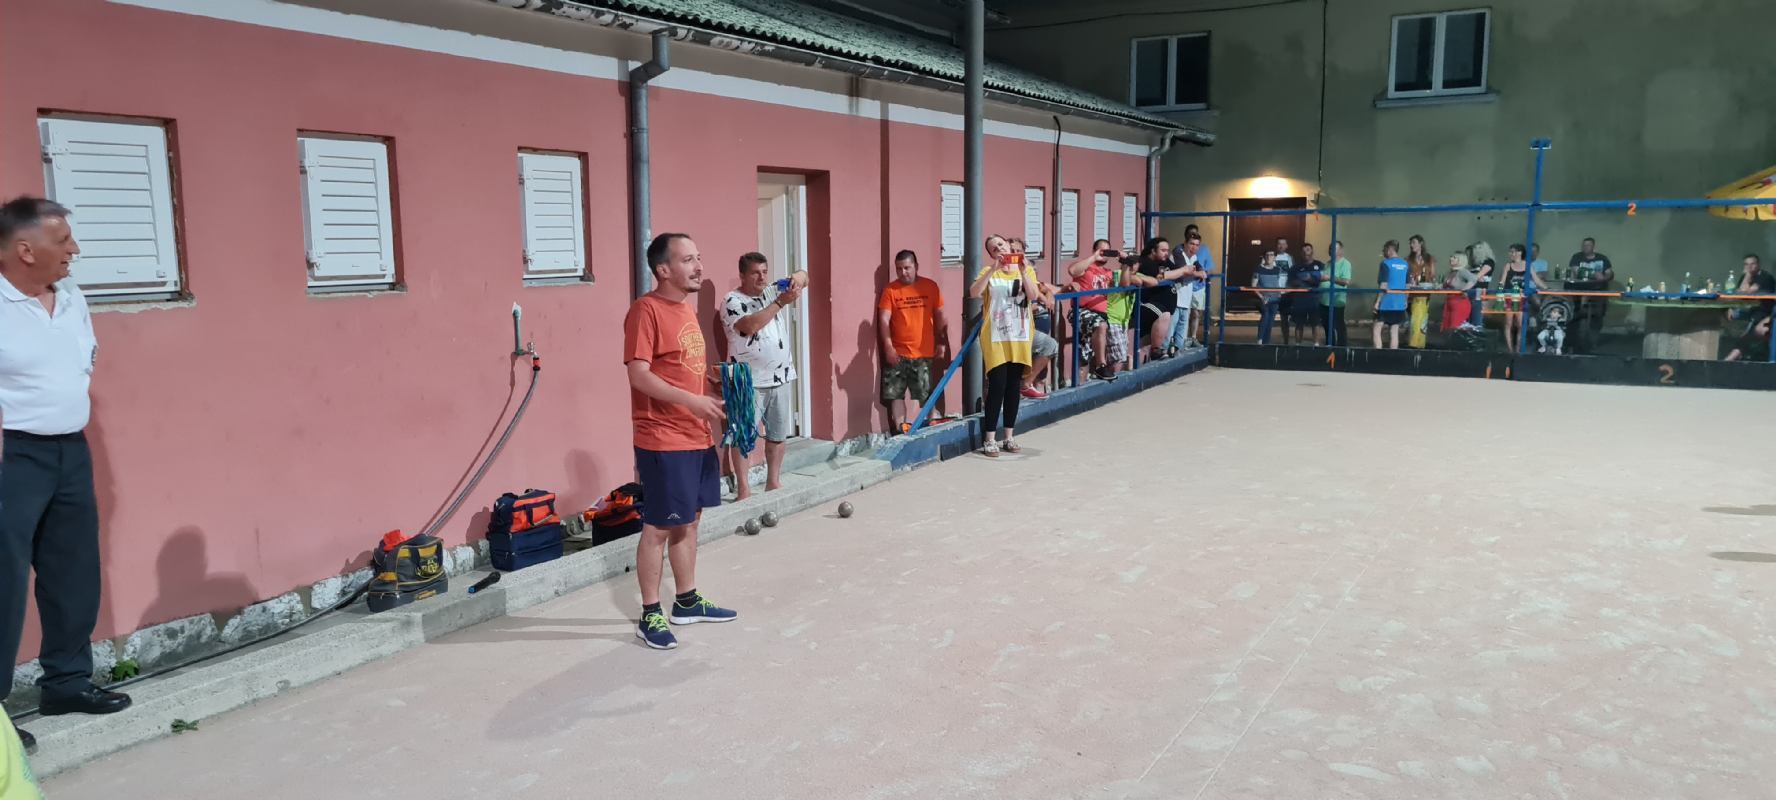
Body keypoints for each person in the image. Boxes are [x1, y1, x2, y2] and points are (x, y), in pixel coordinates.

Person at [1, 198, 133, 755]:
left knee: (73, 570)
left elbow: (82, 362)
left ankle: (66, 682)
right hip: (12, 457)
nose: (74, 250)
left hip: (69, 452)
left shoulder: (72, 296)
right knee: (4, 583)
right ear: (25, 250)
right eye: (63, 240)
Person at [623, 232, 738, 650]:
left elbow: (679, 370)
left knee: (689, 520)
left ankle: (686, 601)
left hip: (695, 433)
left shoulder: (686, 310)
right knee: (659, 526)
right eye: (688, 260)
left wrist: (713, 384)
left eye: (698, 257)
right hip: (662, 437)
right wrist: (693, 400)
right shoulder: (646, 311)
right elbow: (638, 374)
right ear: (663, 269)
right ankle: (649, 612)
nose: (698, 266)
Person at [719, 252, 806, 501]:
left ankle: (773, 482)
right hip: (747, 381)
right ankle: (744, 489)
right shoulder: (731, 300)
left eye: (765, 272)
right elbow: (750, 326)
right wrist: (780, 302)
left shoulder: (771, 291)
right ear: (742, 275)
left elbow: (805, 275)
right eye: (755, 273)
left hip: (781, 375)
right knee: (742, 436)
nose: (762, 277)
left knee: (778, 434)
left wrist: (796, 280)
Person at [971, 235, 1039, 456]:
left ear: (1009, 245)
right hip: (996, 335)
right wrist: (993, 268)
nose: (999, 249)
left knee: (1013, 386)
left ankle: (1009, 436)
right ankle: (990, 438)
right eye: (994, 248)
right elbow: (974, 292)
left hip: (1019, 334)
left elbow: (1033, 295)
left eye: (1001, 244)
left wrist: (1023, 270)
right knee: (997, 385)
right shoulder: (989, 271)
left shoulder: (1026, 270)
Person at [877, 250, 949, 432]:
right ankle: (900, 428)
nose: (903, 272)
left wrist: (941, 342)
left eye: (907, 268)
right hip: (898, 352)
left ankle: (933, 423)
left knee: (926, 393)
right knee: (895, 394)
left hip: (923, 351)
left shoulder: (930, 286)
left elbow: (940, 315)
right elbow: (884, 319)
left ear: (916, 266)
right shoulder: (890, 290)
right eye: (899, 269)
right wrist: (888, 347)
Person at [1066, 239, 1125, 382]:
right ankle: (1100, 366)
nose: (1104, 255)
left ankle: (1099, 372)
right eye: (1101, 251)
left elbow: (1124, 284)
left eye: (1107, 252)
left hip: (1102, 314)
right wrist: (1094, 257)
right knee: (1099, 326)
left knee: (1087, 352)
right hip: (1083, 311)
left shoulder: (1109, 272)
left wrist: (1125, 262)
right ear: (1094, 251)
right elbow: (1072, 271)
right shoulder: (1086, 267)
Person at [1006, 239, 1058, 398]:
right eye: (1012, 251)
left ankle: (1026, 384)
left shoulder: (1027, 270)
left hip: (1024, 325)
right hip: (1005, 325)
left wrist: (1048, 296)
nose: (1015, 254)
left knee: (1049, 345)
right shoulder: (997, 271)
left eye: (1018, 251)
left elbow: (1038, 290)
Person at [1166, 228, 1212, 352]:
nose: (1194, 247)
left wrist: (1201, 271)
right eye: (1191, 244)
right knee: (1169, 335)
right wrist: (1199, 274)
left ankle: (1177, 354)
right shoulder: (1178, 253)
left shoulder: (1193, 256)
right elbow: (1184, 271)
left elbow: (1199, 266)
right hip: (1175, 300)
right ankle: (1164, 354)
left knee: (1180, 338)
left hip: (1185, 301)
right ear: (1185, 243)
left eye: (1197, 245)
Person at [1723, 254, 1775, 362]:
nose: (1749, 267)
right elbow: (1739, 294)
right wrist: (1731, 308)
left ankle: (1731, 357)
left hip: (1764, 312)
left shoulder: (1765, 277)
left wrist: (1747, 275)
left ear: (1758, 265)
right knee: (1723, 315)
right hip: (1749, 310)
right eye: (1746, 264)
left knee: (1750, 333)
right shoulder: (1746, 277)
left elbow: (1749, 291)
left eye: (1752, 264)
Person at [1496, 244, 1545, 353]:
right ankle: (1510, 350)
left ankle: (1518, 348)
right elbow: (1501, 282)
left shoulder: (1528, 265)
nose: (1511, 254)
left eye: (1513, 252)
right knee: (1508, 323)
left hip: (1521, 297)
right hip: (1509, 296)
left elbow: (1536, 280)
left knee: (1520, 324)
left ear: (1520, 253)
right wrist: (1500, 297)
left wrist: (1547, 289)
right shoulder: (1508, 266)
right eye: (1510, 252)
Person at [1567, 237, 1613, 351]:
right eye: (1584, 245)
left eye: (1588, 245)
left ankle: (1593, 341)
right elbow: (1576, 271)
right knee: (1576, 314)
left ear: (1593, 247)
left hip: (1598, 290)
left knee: (1598, 316)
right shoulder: (1577, 257)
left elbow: (1609, 273)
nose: (1585, 247)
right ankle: (1574, 341)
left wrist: (1604, 278)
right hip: (1580, 289)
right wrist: (1594, 275)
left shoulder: (1602, 258)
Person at [1286, 242, 1325, 346]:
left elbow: (1323, 280)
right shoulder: (1295, 267)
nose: (1305, 253)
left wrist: (1310, 279)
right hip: (1300, 300)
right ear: (1300, 253)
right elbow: (1291, 282)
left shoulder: (1320, 265)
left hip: (1315, 299)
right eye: (1303, 251)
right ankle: (1298, 345)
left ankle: (1316, 344)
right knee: (1299, 324)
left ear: (1312, 251)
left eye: (1308, 250)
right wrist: (1301, 281)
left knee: (1315, 324)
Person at [1373, 240, 1409, 349]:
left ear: (1390, 250)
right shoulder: (1405, 264)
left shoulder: (1385, 264)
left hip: (1386, 302)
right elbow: (1407, 285)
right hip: (1399, 303)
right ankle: (1393, 355)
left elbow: (1383, 285)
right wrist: (1405, 300)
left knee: (1376, 329)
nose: (1383, 252)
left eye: (1384, 249)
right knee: (1394, 331)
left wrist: (1377, 302)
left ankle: (1377, 354)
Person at [1405, 235, 1436, 349]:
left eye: (1414, 242)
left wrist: (1431, 283)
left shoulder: (1429, 259)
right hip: (1410, 294)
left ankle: (1419, 344)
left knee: (1422, 319)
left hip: (1424, 293)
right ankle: (1412, 343)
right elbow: (1405, 276)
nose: (1411, 245)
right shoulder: (1407, 260)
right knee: (1413, 319)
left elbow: (1432, 276)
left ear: (1421, 243)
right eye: (1410, 243)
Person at [1251, 250, 1285, 344]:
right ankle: (1260, 340)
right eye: (1267, 255)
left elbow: (1280, 283)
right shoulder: (1258, 269)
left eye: (1271, 255)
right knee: (1265, 315)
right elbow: (1253, 286)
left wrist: (1280, 294)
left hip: (1275, 299)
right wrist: (1261, 297)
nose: (1269, 257)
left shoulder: (1278, 270)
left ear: (1274, 257)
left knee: (1270, 321)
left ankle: (1266, 343)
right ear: (1264, 257)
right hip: (1263, 299)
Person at [1322, 241, 1352, 346]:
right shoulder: (1328, 263)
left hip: (1336, 302)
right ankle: (1330, 345)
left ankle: (1341, 347)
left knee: (1338, 326)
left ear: (1340, 250)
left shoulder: (1345, 264)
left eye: (1333, 248)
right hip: (1324, 301)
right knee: (1327, 326)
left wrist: (1329, 278)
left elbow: (1346, 281)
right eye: (1330, 248)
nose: (1330, 250)